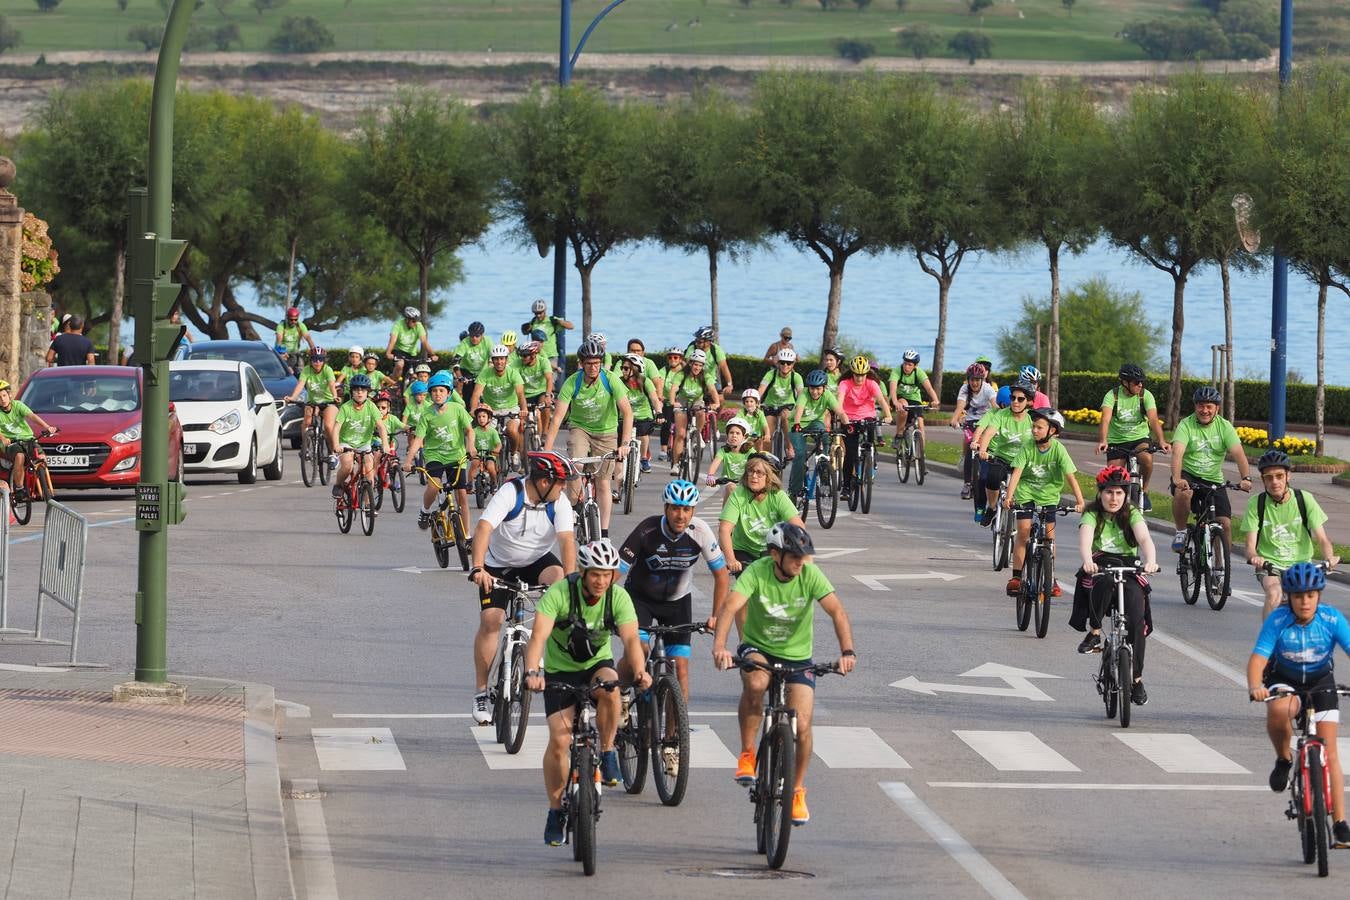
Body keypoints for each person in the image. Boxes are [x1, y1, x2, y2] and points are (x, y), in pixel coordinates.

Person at [712, 522, 856, 827]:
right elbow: (730, 606)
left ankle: (797, 789)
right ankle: (748, 754)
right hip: (758, 647)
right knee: (756, 682)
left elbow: (837, 612)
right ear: (775, 554)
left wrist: (847, 652)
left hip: (797, 655)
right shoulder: (758, 572)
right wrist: (721, 647)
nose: (800, 561)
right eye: (794, 556)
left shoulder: (809, 574)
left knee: (802, 723)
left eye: (804, 556)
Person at [524, 539, 650, 846]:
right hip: (560, 671)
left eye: (607, 574)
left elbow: (632, 640)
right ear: (583, 572)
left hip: (596, 664)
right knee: (559, 741)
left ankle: (607, 751)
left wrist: (640, 671)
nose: (601, 580)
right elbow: (538, 635)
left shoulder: (617, 597)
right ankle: (555, 811)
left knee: (610, 686)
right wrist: (532, 671)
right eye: (595, 574)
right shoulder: (560, 594)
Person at [470, 450, 578, 725]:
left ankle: (541, 649)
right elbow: (483, 528)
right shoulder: (511, 492)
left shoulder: (559, 502)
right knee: (491, 621)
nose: (564, 488)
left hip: (536, 560)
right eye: (561, 482)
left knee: (558, 578)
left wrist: (572, 582)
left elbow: (566, 541)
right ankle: (481, 692)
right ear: (544, 483)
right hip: (498, 564)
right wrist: (479, 567)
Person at [1248, 562, 1350, 848]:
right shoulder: (1278, 620)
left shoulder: (1331, 619)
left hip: (1321, 682)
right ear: (1289, 597)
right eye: (1298, 596)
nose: (1304, 602)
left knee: (1330, 753)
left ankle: (1340, 822)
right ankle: (1283, 758)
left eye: (1310, 596)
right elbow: (1258, 659)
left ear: (1318, 595)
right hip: (1285, 679)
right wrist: (1256, 686)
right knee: (1279, 710)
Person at [617, 480, 729, 705]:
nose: (681, 515)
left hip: (677, 604)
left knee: (681, 671)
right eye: (675, 508)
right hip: (640, 599)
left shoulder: (700, 531)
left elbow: (722, 576)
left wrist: (716, 616)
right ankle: (621, 693)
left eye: (686, 509)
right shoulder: (647, 529)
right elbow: (615, 572)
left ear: (693, 511)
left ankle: (674, 737)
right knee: (637, 652)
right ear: (665, 508)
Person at [1071, 465, 1161, 705]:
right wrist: (1088, 561)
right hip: (1100, 563)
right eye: (1109, 492)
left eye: (1119, 493)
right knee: (1105, 582)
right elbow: (1086, 539)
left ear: (1126, 494)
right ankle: (1095, 632)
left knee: (1137, 620)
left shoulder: (1131, 513)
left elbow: (1144, 539)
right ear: (1100, 493)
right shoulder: (1091, 514)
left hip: (1129, 566)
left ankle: (1137, 680)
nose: (1114, 498)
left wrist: (1151, 561)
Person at [544, 339, 633, 537]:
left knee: (603, 483)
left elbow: (627, 413)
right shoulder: (572, 382)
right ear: (581, 364)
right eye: (589, 363)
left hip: (607, 432)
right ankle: (575, 509)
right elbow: (557, 418)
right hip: (580, 429)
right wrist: (547, 451)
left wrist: (624, 444)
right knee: (576, 467)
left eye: (596, 363)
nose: (593, 367)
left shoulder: (610, 379)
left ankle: (604, 531)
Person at [1243, 450, 1341, 617]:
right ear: (1263, 480)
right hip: (1270, 565)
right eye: (1269, 477)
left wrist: (1329, 557)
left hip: (1301, 565)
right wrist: (1255, 557)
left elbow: (1323, 539)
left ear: (1288, 476)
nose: (1274, 482)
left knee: (1309, 606)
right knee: (1274, 593)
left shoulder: (1305, 499)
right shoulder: (1256, 503)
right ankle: (1269, 640)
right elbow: (1250, 546)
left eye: (1279, 476)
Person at [1003, 407, 1085, 598]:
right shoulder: (1027, 447)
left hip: (1048, 496)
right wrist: (1009, 497)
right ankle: (1016, 577)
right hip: (1026, 493)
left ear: (1052, 431)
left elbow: (1071, 477)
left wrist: (1080, 501)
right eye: (1033, 426)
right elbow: (1016, 473)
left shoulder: (1058, 450)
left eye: (1039, 427)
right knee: (1023, 531)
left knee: (1049, 537)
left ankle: (1051, 577)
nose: (1034, 430)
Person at [1169, 385, 1252, 553]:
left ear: (1217, 408)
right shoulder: (1186, 425)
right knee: (1183, 492)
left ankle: (1221, 569)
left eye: (1209, 406)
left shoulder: (1225, 426)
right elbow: (1177, 454)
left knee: (1225, 524)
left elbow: (1238, 454)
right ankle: (1181, 532)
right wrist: (1177, 478)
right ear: (1195, 407)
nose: (1204, 410)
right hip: (1189, 474)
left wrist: (1246, 478)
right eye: (1200, 405)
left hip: (1214, 479)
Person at [403, 371, 477, 538]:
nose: (438, 394)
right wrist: (408, 461)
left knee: (462, 497)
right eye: (434, 391)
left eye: (442, 391)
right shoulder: (427, 414)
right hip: (435, 456)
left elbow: (470, 431)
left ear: (449, 393)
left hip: (457, 457)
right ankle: (425, 510)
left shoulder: (457, 409)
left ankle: (467, 536)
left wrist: (471, 447)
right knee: (434, 486)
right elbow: (418, 439)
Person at [1095, 363, 1169, 511]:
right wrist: (1103, 440)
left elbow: (1153, 420)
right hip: (1117, 440)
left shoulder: (1145, 395)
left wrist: (1161, 441)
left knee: (1146, 458)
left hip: (1139, 438)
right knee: (1114, 476)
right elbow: (1105, 420)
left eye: (1141, 382)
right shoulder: (1113, 396)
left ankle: (1144, 491)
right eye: (1136, 382)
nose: (1140, 385)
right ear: (1125, 383)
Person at [718, 452, 805, 572]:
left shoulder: (778, 496)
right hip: (743, 550)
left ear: (769, 477)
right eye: (750, 471)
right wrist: (731, 560)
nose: (754, 476)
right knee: (746, 586)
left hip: (771, 549)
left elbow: (798, 527)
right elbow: (724, 529)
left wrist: (794, 555)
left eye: (759, 473)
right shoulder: (738, 494)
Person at [973, 378, 1036, 526]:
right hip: (1001, 458)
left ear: (1029, 402)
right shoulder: (1001, 415)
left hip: (1022, 461)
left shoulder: (1033, 418)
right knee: (992, 477)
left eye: (1021, 399)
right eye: (1013, 398)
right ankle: (993, 507)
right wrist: (982, 450)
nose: (1015, 402)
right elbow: (988, 433)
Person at [326, 374, 393, 501]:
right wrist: (336, 445)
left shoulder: (372, 406)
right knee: (347, 466)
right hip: (347, 443)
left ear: (368, 392)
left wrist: (385, 445)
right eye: (356, 390)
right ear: (352, 392)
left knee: (369, 474)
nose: (360, 392)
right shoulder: (346, 408)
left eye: (363, 390)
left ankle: (367, 505)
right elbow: (336, 428)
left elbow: (381, 427)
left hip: (364, 443)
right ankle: (338, 484)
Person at [835, 356, 893, 502]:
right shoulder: (844, 384)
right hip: (849, 419)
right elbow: (839, 402)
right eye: (856, 375)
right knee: (851, 453)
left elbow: (881, 400)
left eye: (862, 375)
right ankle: (846, 487)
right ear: (852, 373)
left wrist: (888, 415)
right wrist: (843, 418)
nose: (860, 378)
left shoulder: (872, 383)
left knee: (869, 443)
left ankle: (869, 460)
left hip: (868, 417)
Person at [788, 369, 846, 499]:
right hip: (797, 425)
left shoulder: (828, 395)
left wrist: (847, 424)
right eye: (812, 388)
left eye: (818, 389)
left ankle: (824, 465)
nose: (814, 392)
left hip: (815, 422)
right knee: (801, 455)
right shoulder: (804, 394)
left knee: (825, 435)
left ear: (824, 387)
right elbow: (799, 410)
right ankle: (794, 490)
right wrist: (797, 424)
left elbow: (840, 412)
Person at [666, 348, 720, 477]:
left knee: (701, 412)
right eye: (695, 364)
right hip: (682, 402)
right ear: (690, 363)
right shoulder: (681, 374)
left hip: (697, 401)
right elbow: (674, 389)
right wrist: (673, 402)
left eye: (700, 365)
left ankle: (698, 434)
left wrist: (716, 402)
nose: (697, 367)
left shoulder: (705, 375)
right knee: (680, 434)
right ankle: (676, 464)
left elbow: (712, 390)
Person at [470, 344, 528, 464]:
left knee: (512, 430)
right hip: (491, 410)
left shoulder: (513, 373)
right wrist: (473, 409)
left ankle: (514, 453)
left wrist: (524, 409)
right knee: (487, 434)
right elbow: (476, 394)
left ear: (506, 360)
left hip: (511, 409)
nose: (499, 362)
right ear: (492, 360)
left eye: (502, 358)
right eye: (496, 359)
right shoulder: (485, 373)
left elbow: (520, 394)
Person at [950, 363, 997, 504]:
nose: (975, 383)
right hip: (971, 421)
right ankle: (967, 484)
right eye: (972, 379)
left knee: (987, 447)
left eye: (977, 380)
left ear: (982, 380)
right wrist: (954, 419)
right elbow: (960, 406)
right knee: (970, 445)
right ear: (968, 379)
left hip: (986, 422)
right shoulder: (964, 389)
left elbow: (995, 406)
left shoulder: (988, 389)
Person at [0, 379, 57, 494]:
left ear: (9, 395)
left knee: (41, 457)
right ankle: (20, 489)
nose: (2, 399)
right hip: (11, 442)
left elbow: (32, 416)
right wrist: (3, 439)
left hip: (27, 439)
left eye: (4, 395)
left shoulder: (18, 405)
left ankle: (41, 483)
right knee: (20, 456)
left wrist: (47, 427)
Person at [285, 348, 339, 459]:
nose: (317, 362)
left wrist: (335, 396)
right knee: (306, 423)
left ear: (324, 361)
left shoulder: (327, 370)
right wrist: (292, 397)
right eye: (314, 359)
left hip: (328, 402)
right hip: (312, 402)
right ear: (311, 360)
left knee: (328, 426)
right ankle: (306, 447)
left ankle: (333, 452)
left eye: (320, 359)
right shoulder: (306, 370)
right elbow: (300, 385)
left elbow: (332, 385)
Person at [616, 353, 663, 478]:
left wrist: (659, 413)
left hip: (643, 415)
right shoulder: (619, 382)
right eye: (622, 368)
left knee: (643, 433)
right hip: (624, 417)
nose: (623, 371)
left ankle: (643, 458)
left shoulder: (645, 381)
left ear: (635, 369)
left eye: (626, 368)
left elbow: (654, 399)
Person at [888, 349, 941, 449]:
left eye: (909, 364)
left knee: (921, 425)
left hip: (914, 399)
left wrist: (935, 400)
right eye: (905, 363)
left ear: (915, 365)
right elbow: (893, 389)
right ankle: (899, 435)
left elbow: (929, 388)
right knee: (903, 406)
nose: (906, 367)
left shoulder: (919, 372)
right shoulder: (897, 371)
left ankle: (921, 454)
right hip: (900, 397)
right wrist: (895, 401)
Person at [759, 348, 804, 456]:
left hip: (788, 406)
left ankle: (789, 447)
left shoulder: (796, 377)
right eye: (782, 362)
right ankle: (767, 458)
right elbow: (761, 390)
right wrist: (755, 401)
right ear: (778, 363)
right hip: (770, 406)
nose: (785, 365)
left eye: (789, 363)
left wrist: (801, 407)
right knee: (767, 433)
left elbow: (801, 394)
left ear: (793, 364)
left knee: (786, 417)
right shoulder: (771, 374)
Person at [510, 340, 556, 440]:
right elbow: (510, 376)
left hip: (540, 392)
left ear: (533, 354)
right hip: (524, 395)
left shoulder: (543, 361)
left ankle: (544, 432)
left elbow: (549, 379)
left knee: (545, 404)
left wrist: (548, 396)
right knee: (522, 419)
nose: (523, 358)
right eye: (521, 356)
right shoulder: (517, 363)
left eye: (525, 356)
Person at [707, 416, 754, 502]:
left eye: (737, 433)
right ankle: (726, 514)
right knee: (731, 487)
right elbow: (715, 463)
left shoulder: (749, 451)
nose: (734, 435)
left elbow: (758, 461)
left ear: (745, 436)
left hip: (745, 483)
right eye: (731, 433)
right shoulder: (723, 451)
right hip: (727, 483)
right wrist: (710, 476)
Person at [384, 307, 437, 382]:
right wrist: (388, 353)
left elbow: (424, 342)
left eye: (417, 321)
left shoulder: (418, 325)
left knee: (415, 375)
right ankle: (393, 383)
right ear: (407, 319)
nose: (415, 323)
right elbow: (393, 340)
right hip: (399, 351)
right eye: (414, 321)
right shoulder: (398, 325)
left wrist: (433, 354)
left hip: (412, 354)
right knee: (400, 364)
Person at [520, 299, 574, 373]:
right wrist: (525, 328)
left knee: (551, 379)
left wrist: (559, 321)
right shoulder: (533, 322)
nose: (538, 315)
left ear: (545, 311)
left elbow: (571, 326)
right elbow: (524, 332)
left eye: (540, 313)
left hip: (551, 356)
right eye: (536, 313)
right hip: (537, 356)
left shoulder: (552, 321)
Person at [688, 326, 734, 398]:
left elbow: (724, 367)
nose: (697, 344)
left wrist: (729, 385)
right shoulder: (692, 347)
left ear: (708, 342)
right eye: (696, 341)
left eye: (700, 342)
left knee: (720, 399)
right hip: (693, 378)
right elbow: (686, 364)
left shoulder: (716, 351)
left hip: (711, 379)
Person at [452, 322, 492, 402]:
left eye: (477, 336)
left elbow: (492, 359)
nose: (474, 338)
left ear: (482, 335)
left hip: (482, 372)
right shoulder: (465, 342)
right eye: (472, 336)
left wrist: (490, 371)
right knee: (467, 396)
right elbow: (455, 362)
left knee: (487, 395)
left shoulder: (487, 341)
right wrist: (460, 377)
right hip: (467, 371)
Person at [469, 406, 501, 487]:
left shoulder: (493, 431)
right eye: (479, 417)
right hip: (478, 454)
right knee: (474, 464)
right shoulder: (475, 431)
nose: (481, 419)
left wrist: (497, 449)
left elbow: (498, 444)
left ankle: (494, 483)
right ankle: (469, 484)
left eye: (484, 416)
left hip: (490, 454)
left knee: (490, 467)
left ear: (489, 418)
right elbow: (471, 441)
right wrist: (470, 449)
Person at [275, 307, 315, 372]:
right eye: (291, 320)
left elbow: (308, 338)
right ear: (287, 318)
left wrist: (313, 350)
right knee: (289, 371)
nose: (293, 322)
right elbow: (279, 339)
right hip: (283, 352)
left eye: (295, 320)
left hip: (294, 352)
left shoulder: (300, 326)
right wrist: (279, 353)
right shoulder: (281, 326)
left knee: (301, 369)